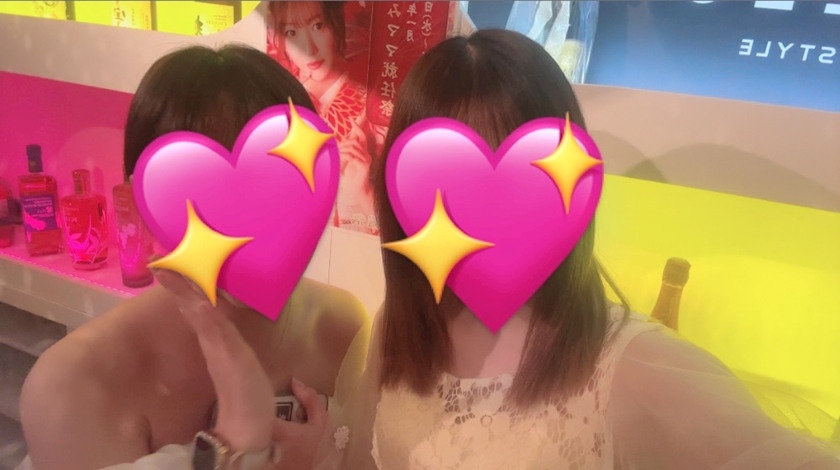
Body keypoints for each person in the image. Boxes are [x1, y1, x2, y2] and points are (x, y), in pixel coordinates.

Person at [102, 31, 840, 470]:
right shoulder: (394, 338)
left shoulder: (632, 372)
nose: (481, 214)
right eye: (442, 180)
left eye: (521, 180)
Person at [17, 44, 368, 470]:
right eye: (203, 195)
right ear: (142, 199)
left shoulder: (339, 324)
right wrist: (235, 449)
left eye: (278, 186)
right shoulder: (73, 385)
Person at [268, 1, 380, 236]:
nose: (308, 47)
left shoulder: (374, 106)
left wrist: (363, 192)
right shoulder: (279, 103)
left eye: (318, 26)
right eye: (291, 32)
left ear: (336, 25)